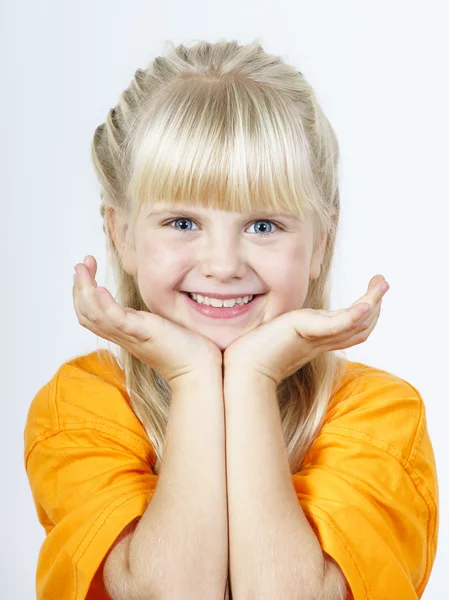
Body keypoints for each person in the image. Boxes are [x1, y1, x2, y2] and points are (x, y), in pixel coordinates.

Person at [23, 39, 438, 600]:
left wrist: (253, 377)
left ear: (321, 242)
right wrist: (194, 377)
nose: (222, 266)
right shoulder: (81, 406)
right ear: (122, 235)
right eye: (182, 222)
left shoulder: (381, 417)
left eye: (263, 225)